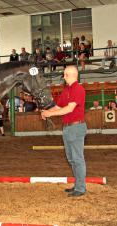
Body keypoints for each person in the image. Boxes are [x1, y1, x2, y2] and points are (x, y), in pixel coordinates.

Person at [41, 66, 87, 197]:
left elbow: (69, 109)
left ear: (73, 75)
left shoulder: (78, 89)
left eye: (66, 75)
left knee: (77, 159)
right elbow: (58, 106)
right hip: (68, 127)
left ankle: (81, 187)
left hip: (76, 127)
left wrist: (50, 114)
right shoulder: (67, 90)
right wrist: (47, 111)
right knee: (72, 159)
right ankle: (78, 185)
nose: (64, 77)